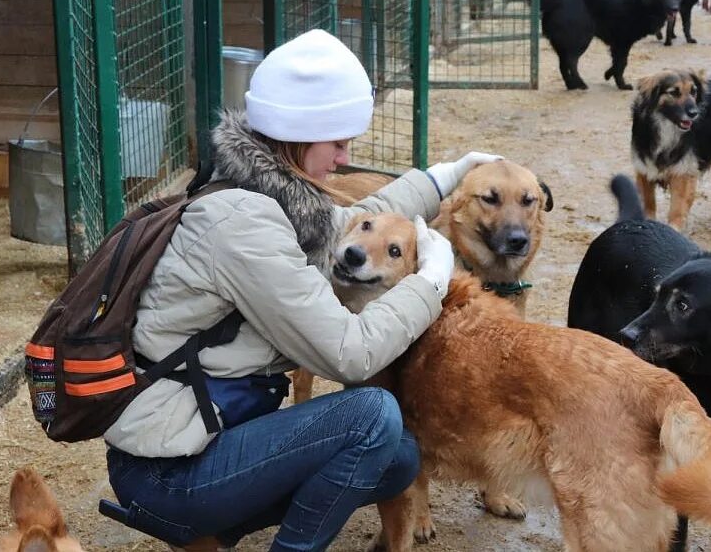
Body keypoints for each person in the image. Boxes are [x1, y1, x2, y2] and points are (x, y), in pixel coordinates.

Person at [103, 29, 501, 551]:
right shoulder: (243, 226)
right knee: (373, 416)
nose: (344, 157)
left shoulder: (265, 194)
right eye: (338, 142)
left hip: (208, 439)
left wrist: (447, 176)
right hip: (166, 473)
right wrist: (430, 284)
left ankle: (217, 530)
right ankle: (225, 530)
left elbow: (358, 220)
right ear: (299, 132)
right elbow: (347, 354)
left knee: (398, 457)